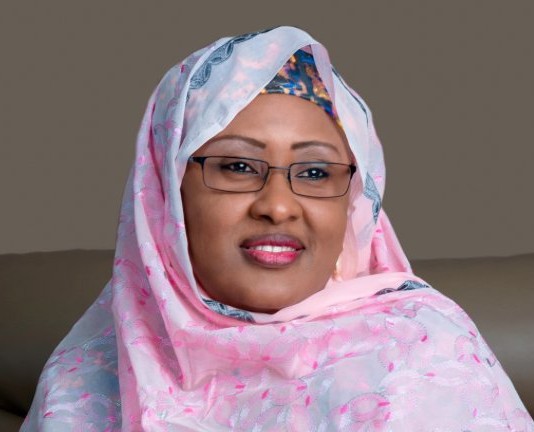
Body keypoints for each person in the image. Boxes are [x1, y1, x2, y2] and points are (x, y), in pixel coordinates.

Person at [22, 26, 533, 431]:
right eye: (237, 167)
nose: (279, 206)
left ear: (354, 205)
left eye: (314, 172)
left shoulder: (424, 359)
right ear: (164, 195)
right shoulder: (86, 376)